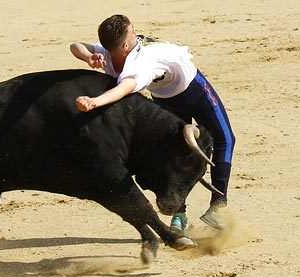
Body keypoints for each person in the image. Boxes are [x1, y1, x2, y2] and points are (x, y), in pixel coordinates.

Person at [70, 14, 235, 249]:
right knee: (222, 140)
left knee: (189, 150)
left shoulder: (116, 55)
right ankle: (207, 209)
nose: (137, 36)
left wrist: (91, 76)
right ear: (125, 45)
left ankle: (196, 212)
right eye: (132, 34)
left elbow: (80, 49)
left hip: (178, 92)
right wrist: (92, 84)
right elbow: (119, 83)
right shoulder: (133, 61)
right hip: (183, 92)